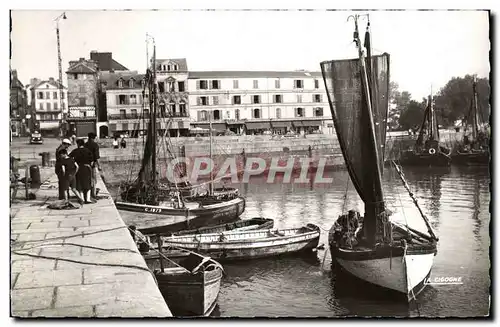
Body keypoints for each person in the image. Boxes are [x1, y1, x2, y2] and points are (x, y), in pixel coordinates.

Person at [70, 139, 94, 203]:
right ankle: (88, 199)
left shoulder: (75, 151)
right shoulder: (88, 151)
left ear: (78, 144)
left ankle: (82, 198)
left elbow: (70, 158)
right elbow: (92, 162)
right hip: (87, 168)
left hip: (78, 169)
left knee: (79, 183)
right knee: (88, 183)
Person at [84, 132, 101, 199]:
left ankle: (87, 194)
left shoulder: (85, 145)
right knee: (93, 180)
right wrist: (99, 165)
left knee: (87, 179)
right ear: (94, 138)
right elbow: (96, 156)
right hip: (92, 164)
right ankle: (93, 195)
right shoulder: (95, 145)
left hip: (84, 164)